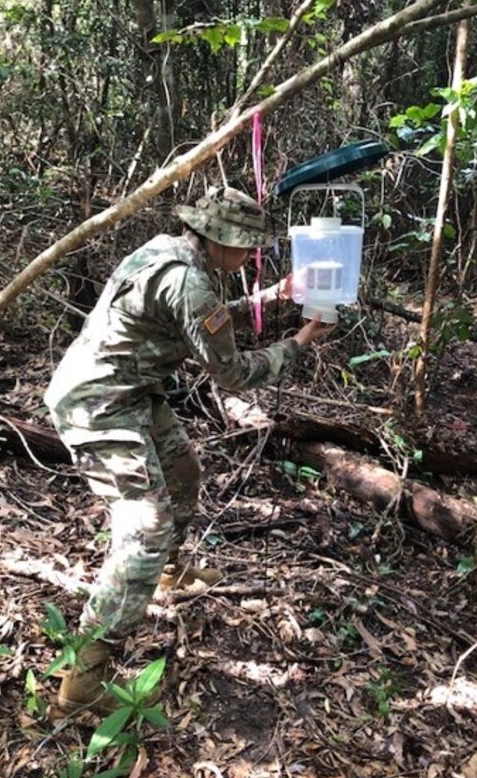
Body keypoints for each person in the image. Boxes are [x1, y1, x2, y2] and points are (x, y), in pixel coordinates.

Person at [45, 186, 333, 714]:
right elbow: (234, 373)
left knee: (182, 469)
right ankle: (83, 681)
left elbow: (204, 320)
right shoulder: (189, 282)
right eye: (246, 246)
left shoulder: (167, 251)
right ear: (218, 239)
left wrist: (270, 297)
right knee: (145, 524)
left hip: (127, 390)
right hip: (98, 405)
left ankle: (168, 574)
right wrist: (301, 340)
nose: (251, 256)